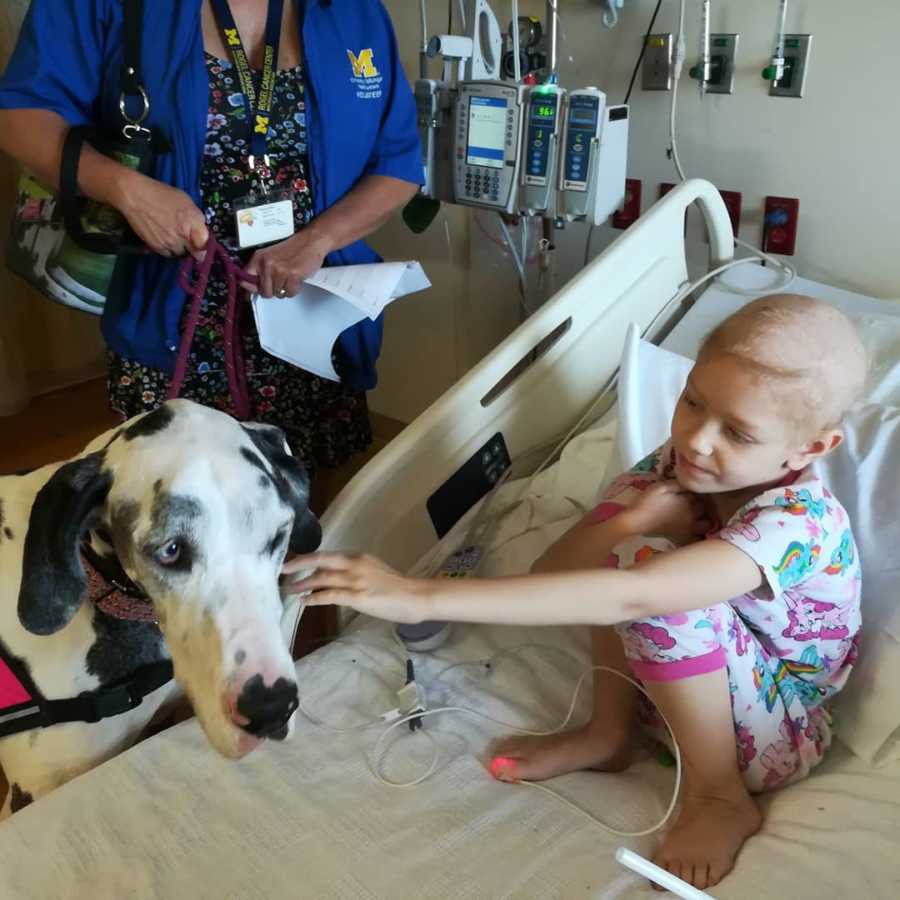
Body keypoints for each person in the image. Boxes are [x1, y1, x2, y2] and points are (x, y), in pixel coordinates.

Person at [284, 294, 868, 890]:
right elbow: (552, 576)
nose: (696, 440)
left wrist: (417, 595)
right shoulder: (673, 472)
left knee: (649, 581)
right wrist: (627, 522)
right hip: (675, 694)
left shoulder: (799, 523)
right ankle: (608, 734)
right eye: (693, 401)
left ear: (810, 449)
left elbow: (634, 598)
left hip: (780, 731)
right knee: (624, 556)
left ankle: (718, 797)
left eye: (738, 434)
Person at [0, 0, 421, 480]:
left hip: (308, 317)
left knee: (307, 513)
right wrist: (128, 190)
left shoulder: (354, 13)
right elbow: (21, 117)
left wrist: (318, 240)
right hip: (173, 318)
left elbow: (398, 165)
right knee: (182, 512)